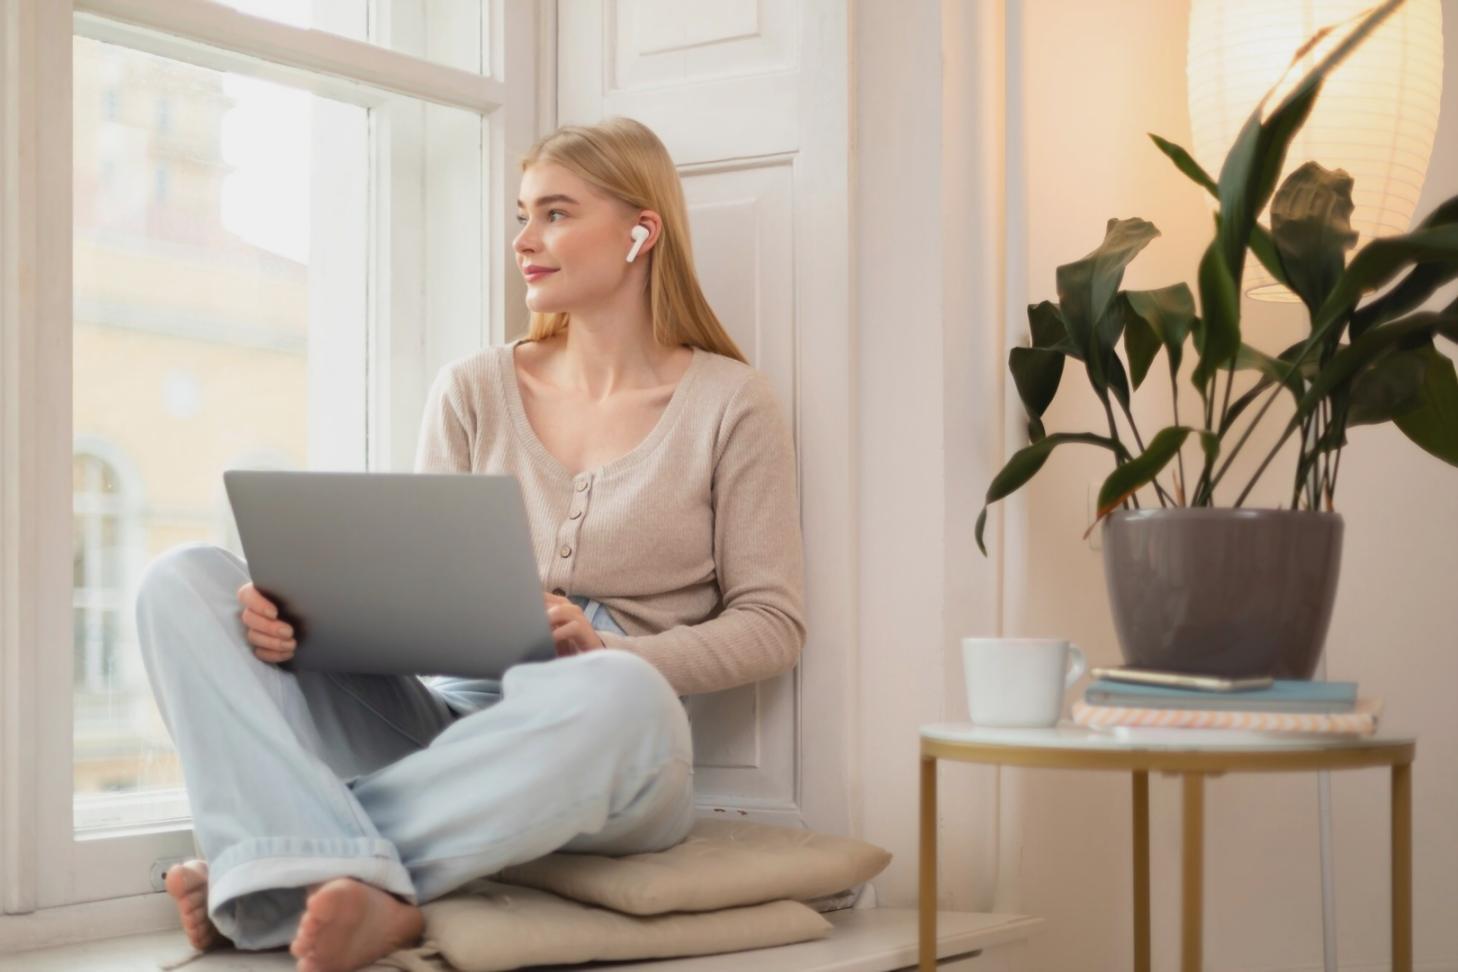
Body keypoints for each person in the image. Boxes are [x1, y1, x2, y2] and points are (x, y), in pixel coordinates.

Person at [134, 116, 807, 972]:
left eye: (556, 214)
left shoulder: (732, 404)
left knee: (616, 692)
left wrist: (618, 650)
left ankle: (270, 871)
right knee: (181, 581)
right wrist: (303, 628)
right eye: (522, 215)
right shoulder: (472, 388)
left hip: (614, 751)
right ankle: (336, 881)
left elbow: (774, 622)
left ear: (643, 230)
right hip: (442, 731)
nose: (525, 240)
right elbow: (412, 592)